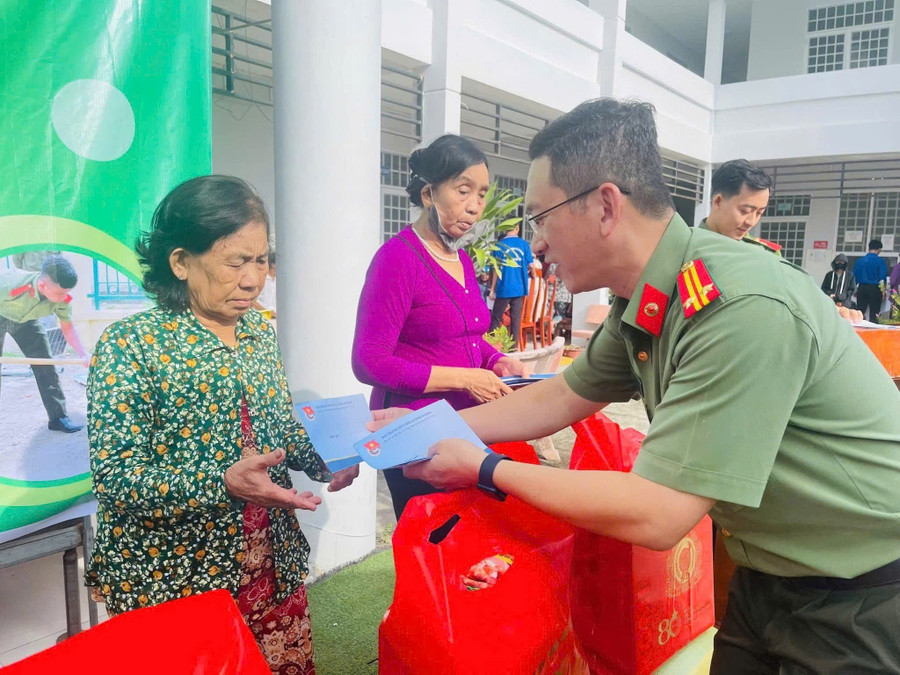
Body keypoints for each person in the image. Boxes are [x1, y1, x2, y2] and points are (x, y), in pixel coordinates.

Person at [374, 99, 900, 671]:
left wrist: (483, 467)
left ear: (604, 206)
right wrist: (428, 426)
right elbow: (562, 395)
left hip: (860, 591)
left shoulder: (737, 306)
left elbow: (659, 513)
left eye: (541, 217)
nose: (537, 243)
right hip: (767, 574)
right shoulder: (647, 296)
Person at [84, 176, 357, 674]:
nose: (253, 279)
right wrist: (222, 483)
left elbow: (277, 427)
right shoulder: (131, 345)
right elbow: (117, 478)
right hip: (174, 580)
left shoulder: (256, 329)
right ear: (182, 262)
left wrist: (329, 456)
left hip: (269, 560)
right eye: (236, 262)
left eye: (260, 260)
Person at [351, 134, 527, 520]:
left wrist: (496, 360)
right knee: (433, 550)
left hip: (464, 427)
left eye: (481, 195)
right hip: (415, 431)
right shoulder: (397, 259)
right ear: (429, 194)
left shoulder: (460, 259)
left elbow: (465, 335)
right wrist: (465, 379)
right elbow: (369, 361)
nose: (475, 207)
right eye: (463, 191)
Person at [0, 255, 91, 432]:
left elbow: (68, 327)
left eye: (66, 292)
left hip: (27, 321)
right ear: (42, 286)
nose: (65, 297)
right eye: (60, 293)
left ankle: (58, 419)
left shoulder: (62, 298)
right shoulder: (9, 282)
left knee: (46, 367)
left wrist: (83, 354)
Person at [699, 159, 782, 255]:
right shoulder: (685, 249)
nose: (751, 222)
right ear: (718, 201)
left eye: (759, 213)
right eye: (745, 211)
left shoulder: (766, 254)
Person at [489, 224, 537, 347]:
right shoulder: (524, 244)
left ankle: (491, 346)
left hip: (503, 287)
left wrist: (492, 289)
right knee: (516, 319)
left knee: (496, 318)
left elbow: (496, 269)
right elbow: (531, 265)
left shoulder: (498, 246)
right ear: (517, 228)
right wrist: (534, 275)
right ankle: (513, 348)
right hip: (520, 288)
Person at [853, 239, 888, 322]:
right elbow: (882, 278)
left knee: (860, 313)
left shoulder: (860, 261)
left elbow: (854, 276)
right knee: (874, 314)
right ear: (879, 249)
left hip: (862, 288)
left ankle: (858, 332)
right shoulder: (880, 261)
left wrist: (856, 289)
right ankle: (873, 333)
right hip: (875, 289)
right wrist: (883, 291)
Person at [252, 248, 277, 319]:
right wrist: (266, 312)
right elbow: (253, 301)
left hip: (276, 317)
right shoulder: (262, 280)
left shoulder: (279, 281)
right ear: (273, 264)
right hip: (261, 316)